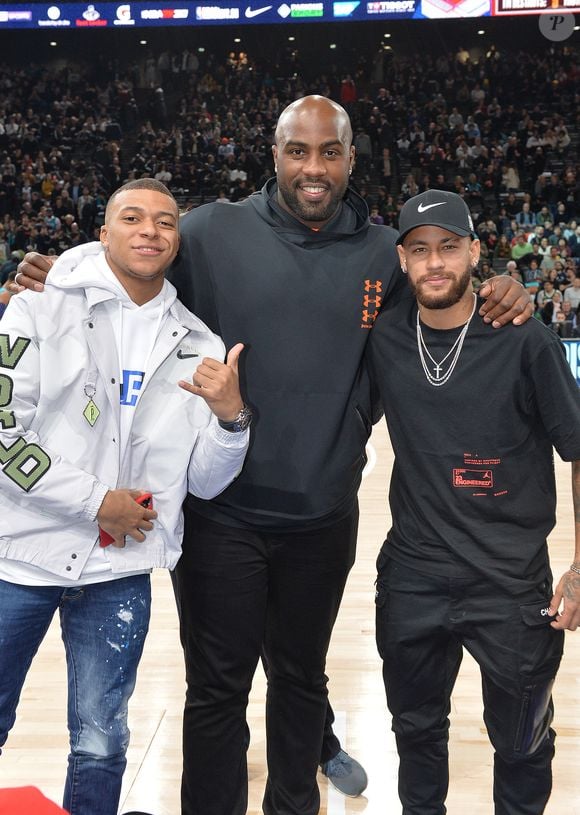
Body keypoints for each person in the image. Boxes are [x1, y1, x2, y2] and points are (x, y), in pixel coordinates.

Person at [15, 97, 531, 815]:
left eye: (329, 152)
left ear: (352, 158)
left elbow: (446, 293)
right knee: (217, 689)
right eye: (298, 151)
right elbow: (132, 259)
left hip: (321, 515)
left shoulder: (385, 251)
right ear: (275, 153)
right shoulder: (208, 231)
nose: (313, 167)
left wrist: (505, 286)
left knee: (302, 679)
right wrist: (56, 275)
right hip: (221, 510)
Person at [0, 179, 249, 815]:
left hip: (119, 568)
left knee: (103, 741)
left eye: (165, 222)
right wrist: (94, 502)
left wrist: (230, 419)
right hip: (19, 558)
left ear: (178, 242)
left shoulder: (200, 344)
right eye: (132, 218)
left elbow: (204, 482)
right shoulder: (36, 308)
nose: (149, 231)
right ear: (103, 231)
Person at [368, 189, 580, 815]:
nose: (435, 264)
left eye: (449, 249)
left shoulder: (525, 339)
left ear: (475, 253)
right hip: (413, 576)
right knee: (416, 736)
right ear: (403, 261)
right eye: (420, 251)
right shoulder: (385, 337)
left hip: (511, 581)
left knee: (520, 744)